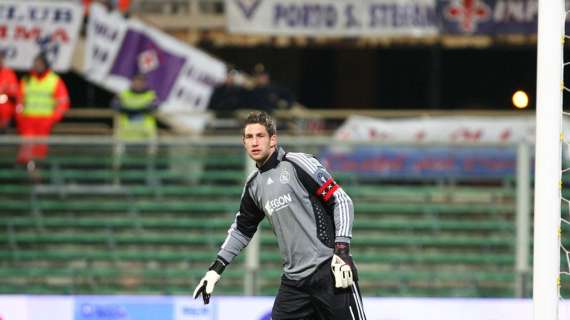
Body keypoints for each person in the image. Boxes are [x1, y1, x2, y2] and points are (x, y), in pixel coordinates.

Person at [193, 111, 367, 319]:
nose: (254, 142)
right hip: (294, 284)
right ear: (243, 142)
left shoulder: (297, 164)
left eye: (260, 136)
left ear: (273, 140)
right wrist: (215, 269)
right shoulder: (253, 185)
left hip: (329, 271)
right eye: (249, 137)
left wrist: (342, 252)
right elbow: (241, 230)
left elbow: (341, 200)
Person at [16, 53, 69, 167]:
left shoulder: (54, 80)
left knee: (39, 153)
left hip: (45, 122)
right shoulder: (27, 80)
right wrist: (20, 116)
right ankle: (28, 174)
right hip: (27, 121)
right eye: (36, 63)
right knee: (26, 152)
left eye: (40, 63)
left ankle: (36, 175)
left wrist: (54, 118)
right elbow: (19, 101)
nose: (37, 65)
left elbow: (63, 102)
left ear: (45, 64)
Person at [0, 50, 18, 133]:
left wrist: (5, 93)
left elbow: (14, 91)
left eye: (1, 58)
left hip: (5, 107)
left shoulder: (9, 73)